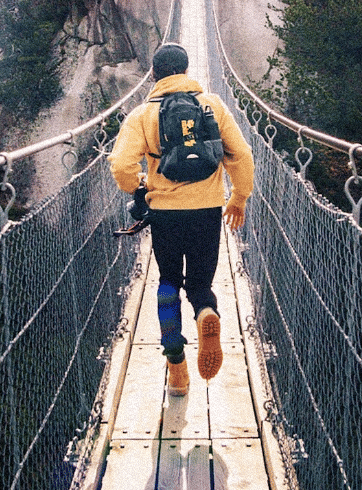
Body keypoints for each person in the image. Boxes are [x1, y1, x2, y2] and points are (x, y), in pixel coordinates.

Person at [108, 43, 254, 396]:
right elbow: (242, 154)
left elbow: (121, 166)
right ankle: (206, 312)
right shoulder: (213, 105)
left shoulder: (142, 114)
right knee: (200, 283)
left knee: (168, 283)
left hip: (165, 216)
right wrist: (239, 197)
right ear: (187, 71)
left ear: (155, 75)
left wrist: (140, 186)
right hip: (207, 211)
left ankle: (177, 368)